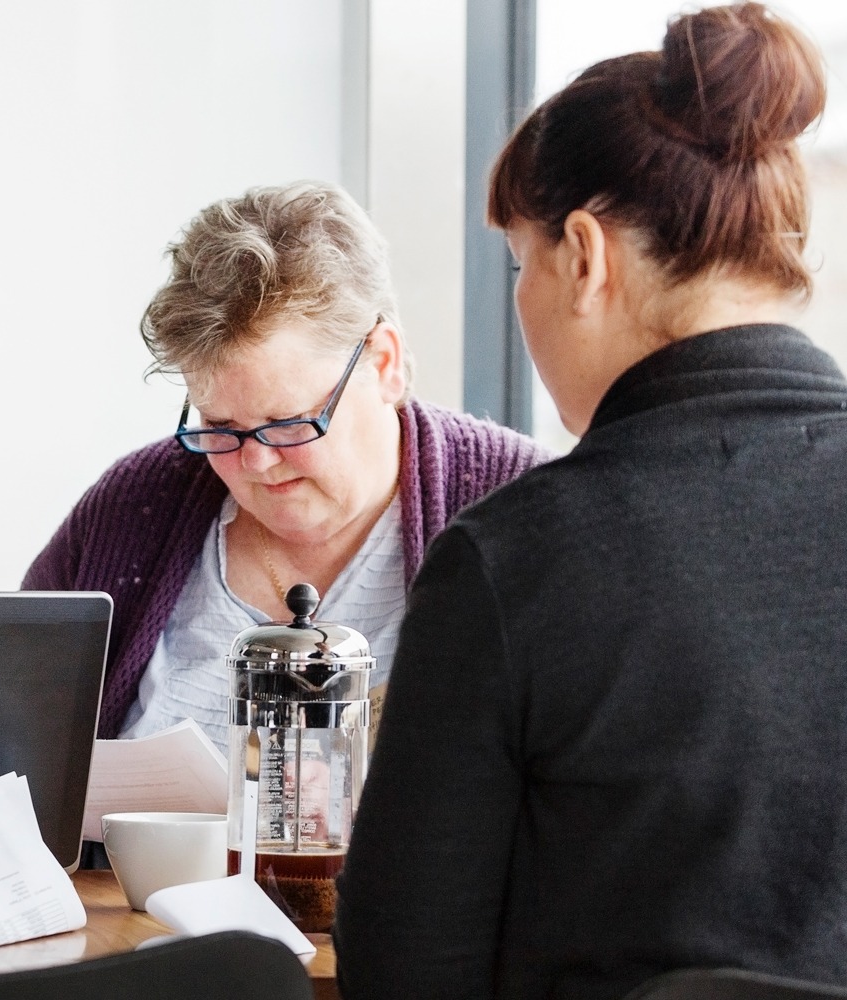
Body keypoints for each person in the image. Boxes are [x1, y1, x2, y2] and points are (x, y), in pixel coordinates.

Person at [334, 5, 845, 998]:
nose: (520, 298)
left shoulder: (516, 561)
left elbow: (403, 970)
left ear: (583, 255)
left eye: (518, 263)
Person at [23, 181, 547, 751]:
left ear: (385, 362)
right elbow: (8, 744)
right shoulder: (134, 508)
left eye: (289, 423)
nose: (256, 462)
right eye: (221, 427)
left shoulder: (524, 506)